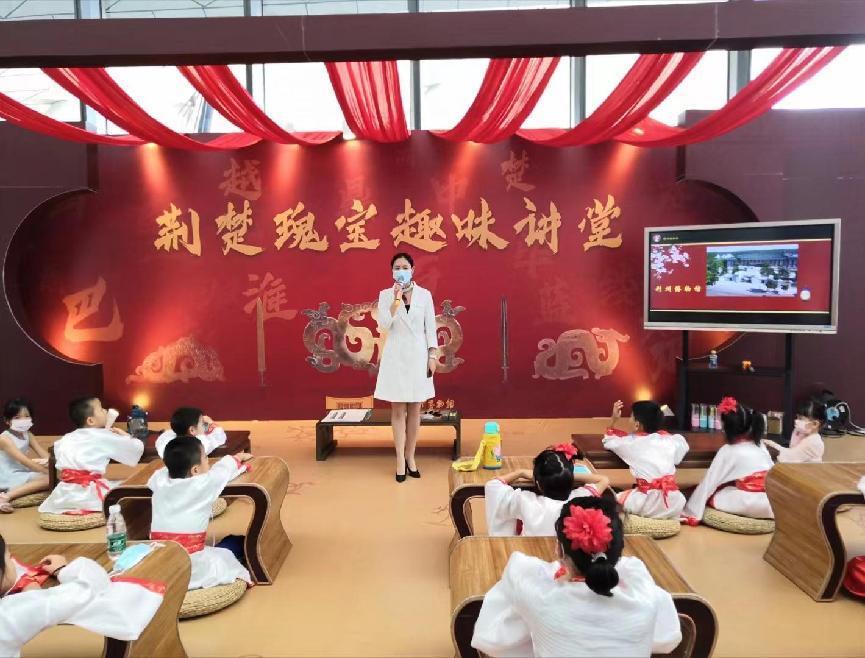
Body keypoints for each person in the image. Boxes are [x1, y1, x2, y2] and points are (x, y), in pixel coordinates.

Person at [471, 497, 682, 657]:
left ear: (559, 549)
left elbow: (490, 639)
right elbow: (667, 639)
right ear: (620, 549)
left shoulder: (538, 595)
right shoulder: (643, 591)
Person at [0, 533, 164, 658]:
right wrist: (62, 569)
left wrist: (30, 593)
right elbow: (90, 586)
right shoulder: (10, 614)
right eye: (9, 557)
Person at [148, 435, 253, 590]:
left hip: (162, 564)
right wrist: (237, 458)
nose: (208, 461)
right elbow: (223, 469)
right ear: (195, 470)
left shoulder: (159, 480)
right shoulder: (204, 483)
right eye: (205, 458)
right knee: (236, 542)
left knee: (218, 548)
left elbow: (161, 472)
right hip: (194, 569)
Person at [374, 252, 439, 483]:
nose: (401, 271)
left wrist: (433, 355)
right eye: (397, 267)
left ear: (412, 270)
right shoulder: (385, 295)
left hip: (418, 357)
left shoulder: (425, 295)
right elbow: (384, 324)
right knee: (398, 409)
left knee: (415, 409)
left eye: (404, 267)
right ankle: (400, 460)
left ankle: (411, 456)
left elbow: (431, 327)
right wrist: (396, 299)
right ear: (392, 271)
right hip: (396, 357)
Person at [38, 396, 144, 515]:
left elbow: (58, 452)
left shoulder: (66, 438)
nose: (105, 411)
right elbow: (136, 449)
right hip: (87, 495)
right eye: (101, 409)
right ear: (91, 421)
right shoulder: (103, 436)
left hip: (63, 494)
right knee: (127, 489)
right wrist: (125, 436)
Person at [485, 445, 611, 536]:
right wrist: (565, 475)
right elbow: (603, 480)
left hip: (529, 556)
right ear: (570, 480)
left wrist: (520, 473)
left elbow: (493, 485)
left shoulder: (525, 500)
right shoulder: (580, 499)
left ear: (538, 484)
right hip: (564, 560)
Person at [683, 396, 774, 521]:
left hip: (749, 502)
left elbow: (710, 482)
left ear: (727, 428)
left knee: (714, 494)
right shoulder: (760, 446)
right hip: (772, 501)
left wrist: (691, 511)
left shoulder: (728, 450)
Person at [603, 400, 689, 519]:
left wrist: (613, 420)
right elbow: (681, 450)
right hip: (673, 503)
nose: (629, 420)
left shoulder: (631, 443)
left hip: (645, 504)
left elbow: (608, 441)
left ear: (637, 424)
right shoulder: (671, 441)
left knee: (614, 496)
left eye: (631, 416)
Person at [0, 399, 49, 513]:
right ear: (7, 421)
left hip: (21, 472)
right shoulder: (4, 439)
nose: (23, 420)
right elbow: (24, 461)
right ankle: (5, 497)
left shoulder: (28, 434)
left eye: (26, 416)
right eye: (17, 418)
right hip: (7, 474)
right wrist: (50, 473)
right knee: (49, 479)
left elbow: (43, 454)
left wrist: (54, 465)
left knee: (52, 477)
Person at [763, 398, 826, 463]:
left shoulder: (814, 442)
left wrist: (772, 446)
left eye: (800, 418)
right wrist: (770, 443)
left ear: (815, 424)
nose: (796, 421)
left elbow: (790, 457)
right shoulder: (799, 432)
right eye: (797, 417)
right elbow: (791, 451)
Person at [154, 406, 227, 459]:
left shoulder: (165, 445)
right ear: (192, 430)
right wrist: (211, 422)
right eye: (202, 424)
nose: (205, 425)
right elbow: (220, 437)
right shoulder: (200, 446)